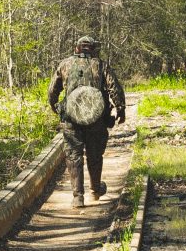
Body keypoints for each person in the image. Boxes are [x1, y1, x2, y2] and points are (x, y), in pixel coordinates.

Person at [45, 33, 126, 206]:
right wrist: (121, 109)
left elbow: (53, 90)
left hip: (71, 119)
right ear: (93, 49)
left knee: (73, 155)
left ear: (76, 48)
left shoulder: (65, 64)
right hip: (96, 119)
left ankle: (78, 197)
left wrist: (53, 105)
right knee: (94, 155)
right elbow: (114, 88)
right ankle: (95, 190)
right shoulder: (100, 65)